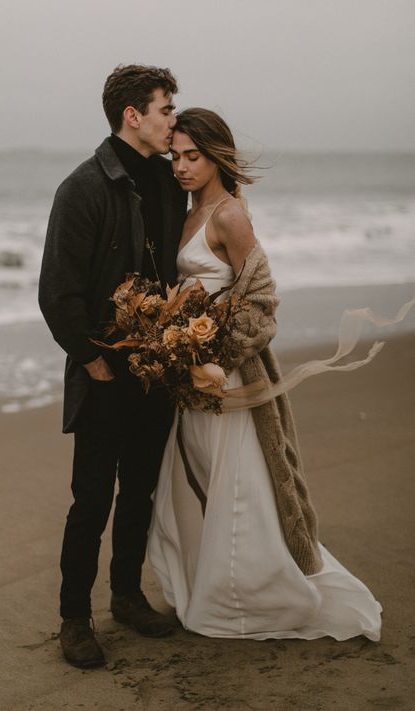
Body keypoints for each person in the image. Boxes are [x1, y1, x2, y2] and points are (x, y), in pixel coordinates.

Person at [147, 108, 382, 641]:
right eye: (175, 156)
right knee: (193, 479)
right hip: (189, 376)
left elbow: (262, 302)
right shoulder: (182, 213)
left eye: (193, 156)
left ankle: (249, 598)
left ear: (215, 156)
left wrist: (216, 358)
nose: (181, 166)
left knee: (238, 487)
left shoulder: (229, 216)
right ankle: (206, 587)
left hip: (225, 376)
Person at [39, 64, 187, 668]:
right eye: (165, 108)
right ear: (134, 115)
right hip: (105, 373)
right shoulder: (84, 187)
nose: (172, 118)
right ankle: (75, 617)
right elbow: (57, 291)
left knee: (142, 492)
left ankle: (126, 595)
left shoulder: (169, 182)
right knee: (92, 498)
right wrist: (91, 359)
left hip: (160, 369)